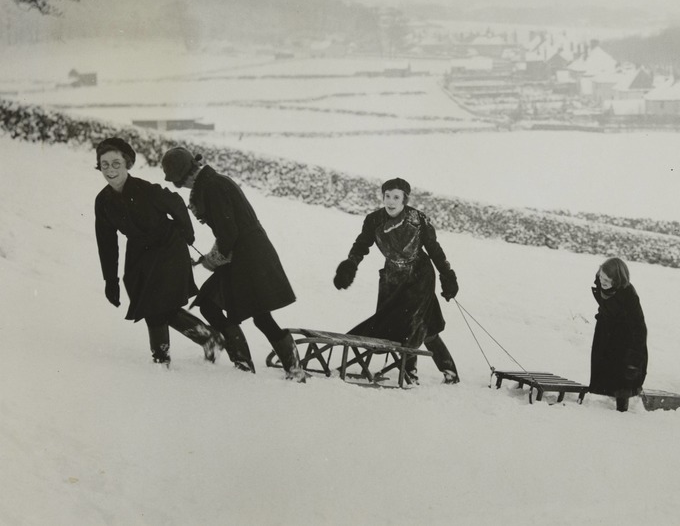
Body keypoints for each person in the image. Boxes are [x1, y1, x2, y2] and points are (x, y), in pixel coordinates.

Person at [160, 146, 307, 382]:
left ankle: (289, 369)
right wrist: (213, 258)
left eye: (178, 181)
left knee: (259, 315)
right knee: (214, 304)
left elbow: (229, 232)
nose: (181, 186)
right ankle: (246, 363)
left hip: (250, 257)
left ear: (186, 174)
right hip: (243, 255)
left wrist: (212, 260)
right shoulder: (210, 184)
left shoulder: (213, 186)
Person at [93, 137, 223, 367]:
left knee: (160, 304)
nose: (110, 170)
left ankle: (164, 357)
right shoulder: (103, 201)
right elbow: (106, 242)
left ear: (127, 164)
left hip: (167, 247)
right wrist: (110, 280)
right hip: (139, 254)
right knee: (149, 304)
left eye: (116, 163)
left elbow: (175, 204)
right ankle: (206, 339)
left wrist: (187, 234)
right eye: (105, 164)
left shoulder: (145, 190)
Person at [332, 177, 460, 384]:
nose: (391, 201)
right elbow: (361, 245)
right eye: (387, 196)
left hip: (419, 275)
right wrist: (350, 265)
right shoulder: (374, 220)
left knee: (410, 323)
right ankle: (445, 371)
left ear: (405, 199)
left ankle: (410, 371)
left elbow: (435, 250)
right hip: (392, 276)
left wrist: (448, 276)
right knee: (423, 326)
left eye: (396, 197)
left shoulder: (418, 219)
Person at [588, 258, 648, 412]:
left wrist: (636, 353)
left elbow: (639, 325)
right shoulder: (602, 286)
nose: (602, 281)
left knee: (623, 372)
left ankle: (622, 408)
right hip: (607, 333)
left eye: (607, 280)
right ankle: (609, 393)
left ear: (618, 279)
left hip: (626, 337)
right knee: (605, 365)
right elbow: (607, 305)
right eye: (601, 277)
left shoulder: (628, 295)